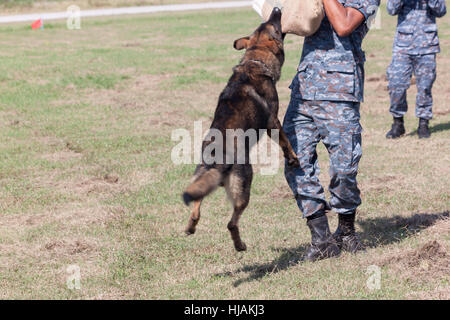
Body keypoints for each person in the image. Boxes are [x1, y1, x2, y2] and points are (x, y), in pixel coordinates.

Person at [283, 0, 379, 261]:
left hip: (340, 90)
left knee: (344, 168)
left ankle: (346, 232)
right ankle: (321, 238)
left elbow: (344, 24)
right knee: (295, 161)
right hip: (304, 89)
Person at [385, 0, 447, 139]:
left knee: (425, 87)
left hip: (427, 46)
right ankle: (398, 122)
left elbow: (441, 11)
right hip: (403, 46)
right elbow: (391, 10)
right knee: (396, 84)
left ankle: (423, 123)